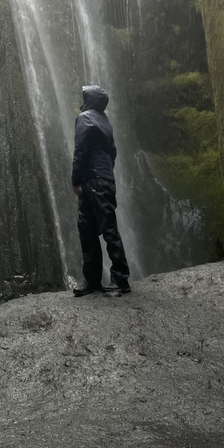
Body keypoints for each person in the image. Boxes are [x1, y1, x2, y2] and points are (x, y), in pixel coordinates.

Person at [71, 84, 131, 298]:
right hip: (103, 178)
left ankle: (119, 278)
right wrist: (106, 174)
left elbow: (80, 150)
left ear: (89, 100)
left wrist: (75, 180)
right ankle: (94, 279)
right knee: (91, 228)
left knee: (102, 229)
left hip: (91, 180)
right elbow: (112, 152)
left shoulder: (85, 118)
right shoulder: (105, 121)